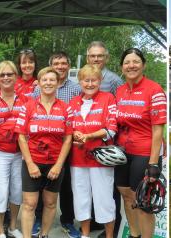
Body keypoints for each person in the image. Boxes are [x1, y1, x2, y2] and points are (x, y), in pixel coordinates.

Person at [15, 67, 73, 238]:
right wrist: (30, 163)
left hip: (55, 164)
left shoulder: (65, 108)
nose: (48, 83)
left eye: (52, 80)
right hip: (32, 163)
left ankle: (44, 235)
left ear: (57, 83)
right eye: (44, 80)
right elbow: (21, 137)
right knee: (29, 204)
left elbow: (68, 139)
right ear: (38, 83)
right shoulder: (28, 106)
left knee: (49, 203)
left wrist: (58, 165)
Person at [115, 48, 166, 238]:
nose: (131, 65)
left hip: (145, 153)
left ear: (144, 65)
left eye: (136, 61)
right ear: (121, 67)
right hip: (123, 152)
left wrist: (153, 163)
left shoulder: (154, 89)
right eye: (127, 62)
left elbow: (158, 130)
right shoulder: (119, 91)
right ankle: (134, 234)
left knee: (144, 203)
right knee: (126, 195)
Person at [32, 52, 81, 238]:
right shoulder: (38, 89)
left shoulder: (76, 89)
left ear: (69, 66)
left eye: (63, 63)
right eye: (56, 63)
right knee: (39, 186)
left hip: (66, 146)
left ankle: (67, 221)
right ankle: (39, 219)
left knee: (66, 186)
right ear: (51, 65)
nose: (60, 66)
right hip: (42, 147)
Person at [68, 64, 117, 238]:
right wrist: (75, 134)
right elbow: (68, 128)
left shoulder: (108, 98)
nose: (89, 84)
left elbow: (111, 128)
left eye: (93, 80)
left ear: (100, 81)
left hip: (100, 159)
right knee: (81, 199)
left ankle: (110, 236)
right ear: (80, 82)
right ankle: (85, 235)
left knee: (104, 200)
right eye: (85, 80)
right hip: (78, 159)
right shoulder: (73, 102)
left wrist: (88, 136)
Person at [0, 61, 27, 238]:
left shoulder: (25, 100)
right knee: (1, 193)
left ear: (16, 77)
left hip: (20, 154)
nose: (6, 77)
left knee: (17, 192)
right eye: (2, 75)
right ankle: (0, 230)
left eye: (10, 74)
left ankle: (12, 226)